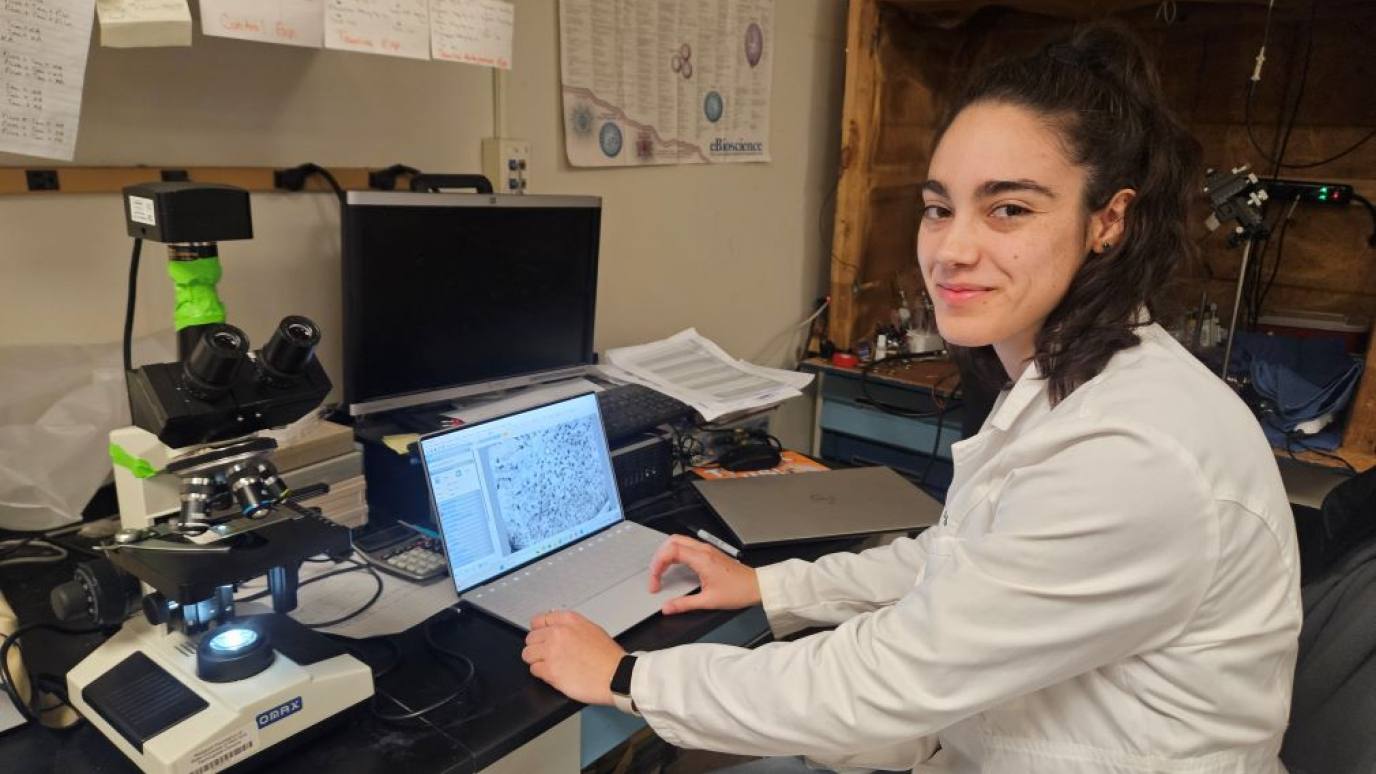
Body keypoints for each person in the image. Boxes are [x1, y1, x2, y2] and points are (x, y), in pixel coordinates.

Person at [521, 21, 1301, 774]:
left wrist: (627, 677)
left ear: (1109, 220)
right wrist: (772, 586)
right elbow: (963, 562)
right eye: (939, 208)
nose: (952, 250)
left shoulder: (1134, 451)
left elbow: (887, 678)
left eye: (1009, 208)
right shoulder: (1076, 381)